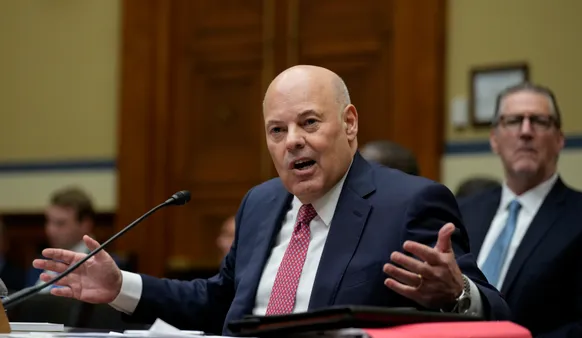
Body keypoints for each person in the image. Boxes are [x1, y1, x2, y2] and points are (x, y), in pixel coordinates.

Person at [34, 65, 510, 334]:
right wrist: (120, 285)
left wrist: (457, 295)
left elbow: (501, 315)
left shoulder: (411, 202)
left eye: (309, 123)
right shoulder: (261, 202)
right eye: (277, 131)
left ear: (349, 123)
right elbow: (215, 301)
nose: (292, 142)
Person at [457, 82, 582, 337]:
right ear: (494, 140)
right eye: (513, 121)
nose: (525, 131)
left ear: (559, 139)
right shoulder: (465, 211)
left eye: (539, 121)